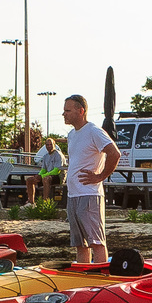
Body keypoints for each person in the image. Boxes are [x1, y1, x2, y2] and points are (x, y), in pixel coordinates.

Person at [57, 93, 120, 266]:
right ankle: (84, 278)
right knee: (80, 244)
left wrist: (100, 176)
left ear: (81, 111)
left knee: (96, 241)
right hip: (73, 195)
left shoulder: (94, 131)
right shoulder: (71, 135)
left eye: (67, 110)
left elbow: (114, 153)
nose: (64, 114)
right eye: (64, 111)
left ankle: (100, 278)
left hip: (89, 194)